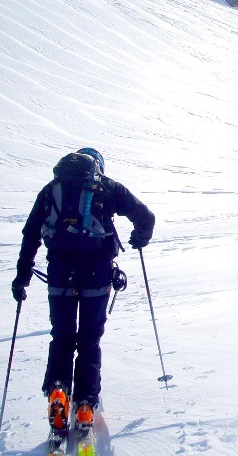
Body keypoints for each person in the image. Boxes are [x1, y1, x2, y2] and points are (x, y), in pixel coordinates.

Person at [12, 148, 155, 434]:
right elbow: (146, 217)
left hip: (60, 276)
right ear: (98, 166)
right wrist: (139, 239)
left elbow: (31, 235)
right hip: (97, 274)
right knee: (90, 339)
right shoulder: (108, 187)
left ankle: (58, 393)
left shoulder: (51, 190)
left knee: (62, 336)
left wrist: (22, 277)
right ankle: (86, 404)